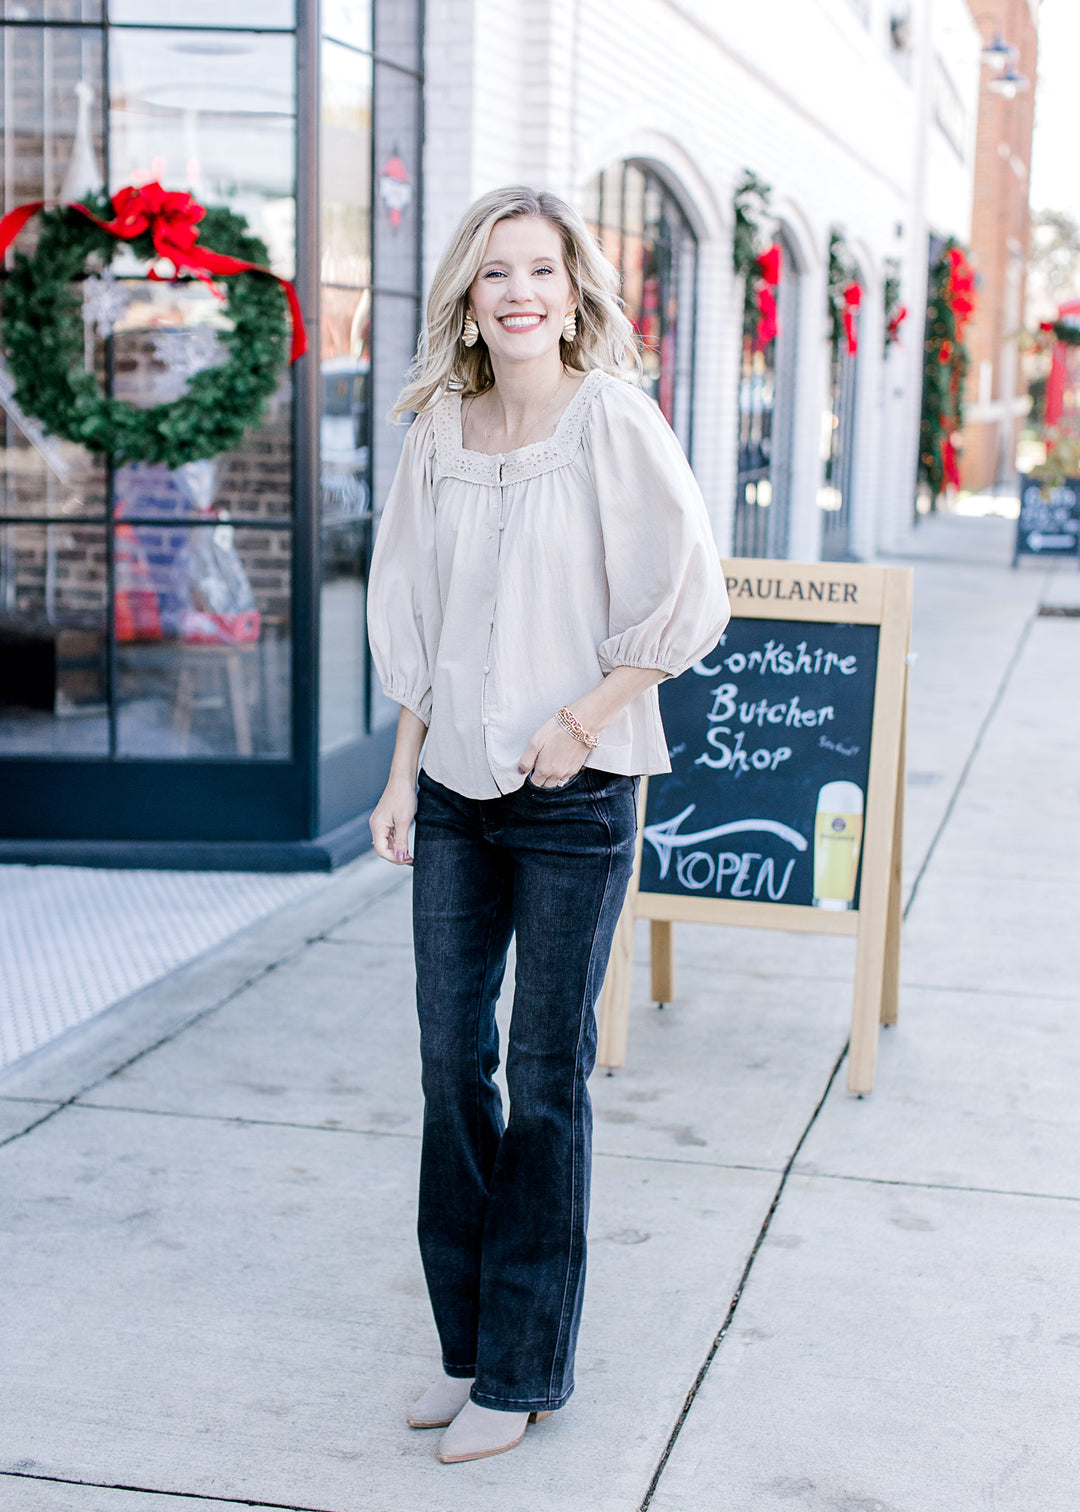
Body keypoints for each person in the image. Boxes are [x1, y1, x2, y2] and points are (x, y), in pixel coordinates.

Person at [366, 185, 729, 1465]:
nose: (518, 293)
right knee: (447, 1062)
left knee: (546, 1077)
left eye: (540, 271)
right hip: (457, 794)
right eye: (494, 273)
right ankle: (467, 1347)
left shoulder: (613, 423)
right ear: (468, 298)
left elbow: (689, 599)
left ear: (572, 292)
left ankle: (523, 1369)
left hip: (575, 796)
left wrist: (584, 718)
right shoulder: (434, 434)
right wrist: (403, 774)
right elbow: (419, 621)